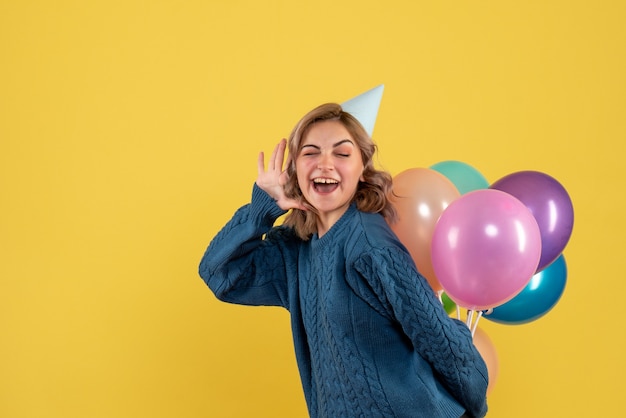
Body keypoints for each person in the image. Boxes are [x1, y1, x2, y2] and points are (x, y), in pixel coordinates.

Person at [199, 103, 488, 418]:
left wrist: (474, 406)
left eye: (342, 153)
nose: (325, 164)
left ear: (362, 166)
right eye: (311, 153)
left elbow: (440, 340)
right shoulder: (297, 249)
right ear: (294, 167)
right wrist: (264, 206)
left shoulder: (371, 247)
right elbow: (219, 274)